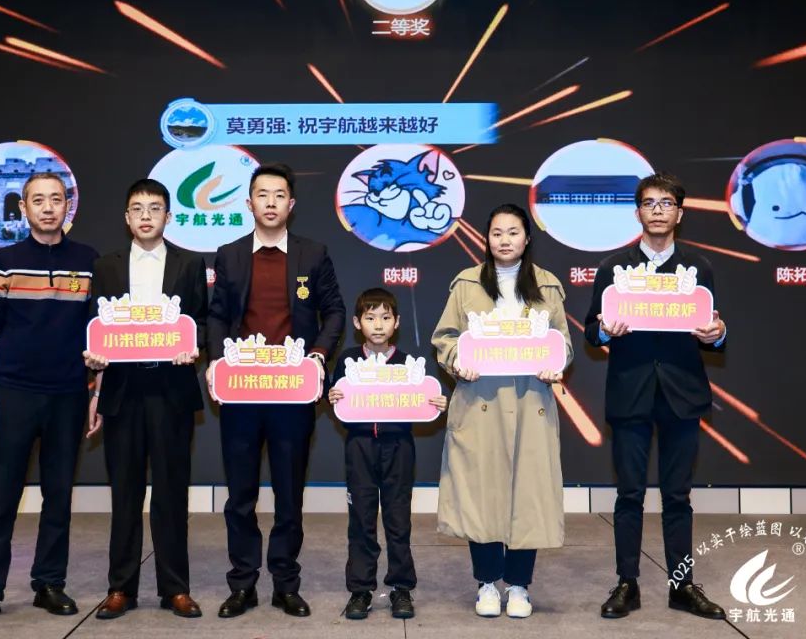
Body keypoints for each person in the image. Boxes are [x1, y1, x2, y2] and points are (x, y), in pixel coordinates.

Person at [0, 172, 98, 626]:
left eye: (56, 199)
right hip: (12, 393)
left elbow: (101, 335)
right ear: (24, 207)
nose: (48, 207)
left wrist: (96, 392)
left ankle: (49, 583)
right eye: (38, 200)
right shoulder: (4, 261)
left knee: (59, 494)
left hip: (69, 395)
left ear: (68, 206)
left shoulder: (89, 261)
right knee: (0, 497)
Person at [584, 172, 727, 621]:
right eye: (650, 203)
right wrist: (605, 330)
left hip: (682, 393)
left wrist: (718, 333)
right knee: (629, 494)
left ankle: (682, 585)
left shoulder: (698, 268)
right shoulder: (614, 268)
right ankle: (627, 583)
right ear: (638, 212)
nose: (658, 210)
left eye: (667, 203)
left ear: (679, 214)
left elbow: (712, 328)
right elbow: (591, 330)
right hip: (630, 393)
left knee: (677, 496)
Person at [206, 163, 346, 618]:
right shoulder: (229, 255)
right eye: (262, 194)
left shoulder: (313, 254)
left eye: (279, 195)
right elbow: (216, 316)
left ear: (291, 204)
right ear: (249, 203)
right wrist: (216, 361)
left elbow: (335, 311)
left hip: (291, 394)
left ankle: (286, 583)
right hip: (242, 392)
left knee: (289, 494)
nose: (270, 202)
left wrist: (319, 355)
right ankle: (243, 584)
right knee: (240, 495)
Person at [431, 203, 573, 619]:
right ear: (486, 238)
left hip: (532, 402)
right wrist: (458, 361)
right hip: (480, 401)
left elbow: (562, 342)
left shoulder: (546, 286)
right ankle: (487, 583)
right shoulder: (467, 284)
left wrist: (556, 363)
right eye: (497, 233)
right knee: (482, 494)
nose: (505, 240)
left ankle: (520, 585)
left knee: (528, 495)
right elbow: (445, 337)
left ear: (527, 238)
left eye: (513, 232)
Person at [82, 179, 209, 620]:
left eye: (155, 208)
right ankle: (121, 587)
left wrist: (195, 347)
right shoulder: (106, 267)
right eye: (137, 208)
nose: (146, 216)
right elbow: (95, 325)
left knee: (172, 493)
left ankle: (176, 588)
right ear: (127, 218)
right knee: (125, 492)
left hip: (171, 388)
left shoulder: (190, 263)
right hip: (123, 389)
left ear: (168, 216)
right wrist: (95, 364)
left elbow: (202, 320)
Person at [326, 288, 447, 621]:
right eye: (370, 318)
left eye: (385, 317)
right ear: (357, 323)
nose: (378, 325)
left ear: (397, 322)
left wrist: (436, 402)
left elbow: (424, 399)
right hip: (360, 447)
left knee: (398, 521)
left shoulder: (409, 364)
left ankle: (401, 587)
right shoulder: (347, 361)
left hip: (398, 448)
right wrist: (333, 395)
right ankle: (360, 590)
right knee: (361, 521)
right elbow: (338, 399)